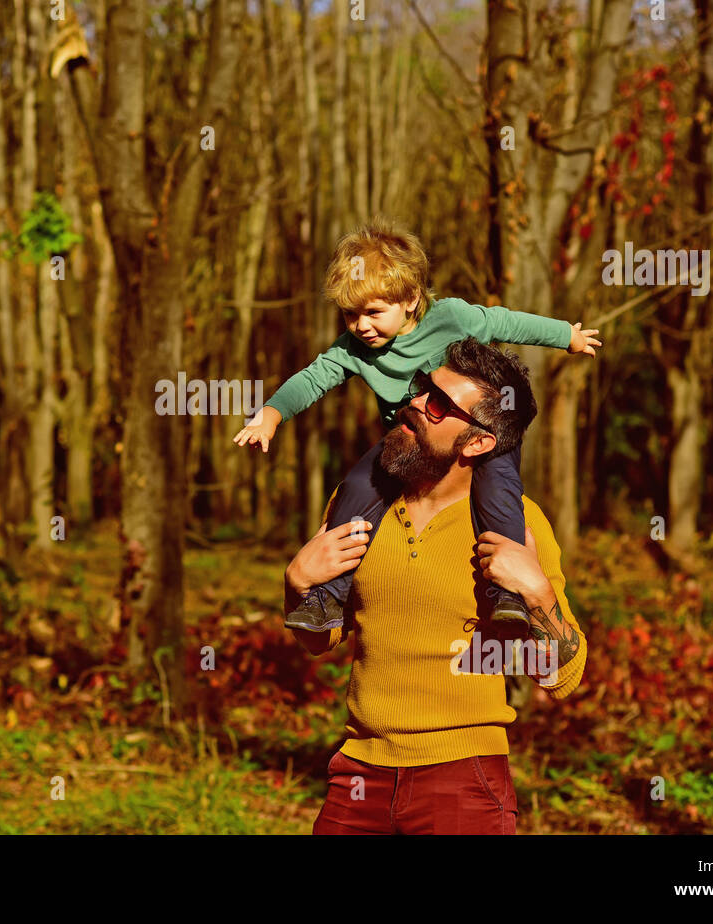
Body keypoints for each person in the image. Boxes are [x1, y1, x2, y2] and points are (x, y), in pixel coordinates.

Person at [234, 216, 600, 638]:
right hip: (409, 442)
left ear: (409, 299)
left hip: (476, 430)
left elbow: (505, 322)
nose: (361, 326)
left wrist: (564, 336)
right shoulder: (354, 349)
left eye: (373, 312)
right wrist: (273, 414)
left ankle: (508, 592)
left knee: (499, 491)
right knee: (356, 488)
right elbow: (314, 378)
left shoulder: (451, 317)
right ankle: (327, 596)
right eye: (350, 315)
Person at [284, 338, 588, 834]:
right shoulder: (356, 506)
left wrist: (539, 596)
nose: (417, 405)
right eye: (425, 389)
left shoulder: (520, 526)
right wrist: (297, 584)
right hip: (358, 774)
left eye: (441, 405)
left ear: (479, 442)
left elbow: (563, 678)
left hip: (464, 780)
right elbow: (318, 641)